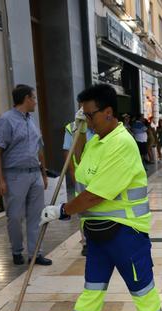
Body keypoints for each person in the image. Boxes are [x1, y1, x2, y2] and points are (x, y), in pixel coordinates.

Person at [40, 84, 162, 311]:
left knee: (141, 288)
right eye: (84, 116)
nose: (87, 121)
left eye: (90, 115)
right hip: (98, 234)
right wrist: (76, 134)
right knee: (92, 289)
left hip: (126, 233)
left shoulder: (121, 144)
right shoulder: (96, 141)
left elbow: (94, 195)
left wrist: (62, 210)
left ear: (109, 112)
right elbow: (78, 171)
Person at [0, 84, 51, 266]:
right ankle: (17, 250)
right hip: (15, 175)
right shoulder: (6, 120)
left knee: (37, 216)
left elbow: (39, 149)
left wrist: (44, 174)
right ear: (26, 98)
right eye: (34, 98)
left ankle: (35, 253)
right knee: (15, 216)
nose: (36, 102)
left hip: (35, 175)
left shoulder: (31, 120)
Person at [63, 101, 96, 256]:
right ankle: (86, 242)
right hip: (81, 174)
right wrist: (73, 173)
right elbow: (68, 154)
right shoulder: (72, 127)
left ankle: (99, 238)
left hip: (97, 173)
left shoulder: (98, 126)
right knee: (82, 210)